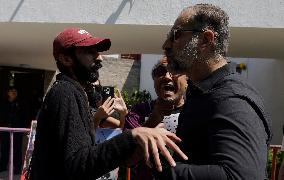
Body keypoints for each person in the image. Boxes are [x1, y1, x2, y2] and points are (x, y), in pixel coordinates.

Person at [29, 27, 187, 180]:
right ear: (66, 59)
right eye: (90, 52)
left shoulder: (73, 92)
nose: (99, 57)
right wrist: (133, 135)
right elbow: (79, 166)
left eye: (98, 52)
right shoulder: (65, 92)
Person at [155, 4, 272, 179]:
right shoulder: (200, 92)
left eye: (176, 35)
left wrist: (165, 170)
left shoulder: (231, 99)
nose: (166, 45)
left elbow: (240, 176)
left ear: (206, 39)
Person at [124, 57, 188, 180]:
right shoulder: (138, 112)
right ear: (154, 80)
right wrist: (153, 119)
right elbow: (128, 160)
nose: (167, 76)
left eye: (174, 71)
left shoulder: (198, 112)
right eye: (160, 72)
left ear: (187, 79)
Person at [0, 86, 28, 174]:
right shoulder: (3, 103)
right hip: (5, 129)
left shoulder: (21, 103)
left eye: (15, 91)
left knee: (17, 149)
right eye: (12, 91)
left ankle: (17, 168)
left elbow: (25, 115)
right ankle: (3, 166)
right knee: (4, 148)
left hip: (17, 130)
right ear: (8, 93)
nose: (14, 92)